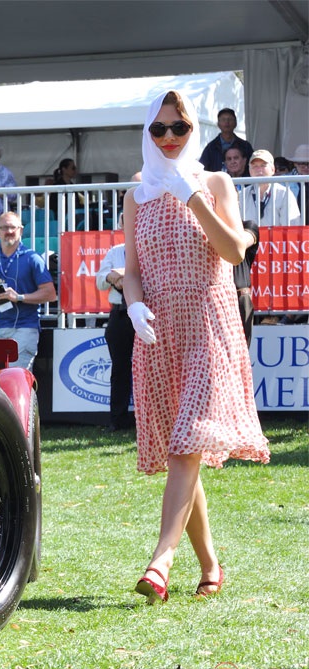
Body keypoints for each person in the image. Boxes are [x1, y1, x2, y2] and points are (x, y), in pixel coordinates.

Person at [123, 90, 269, 605]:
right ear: (147, 133)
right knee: (181, 451)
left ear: (195, 132)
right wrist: (134, 306)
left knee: (187, 445)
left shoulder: (215, 182)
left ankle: (160, 562)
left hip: (209, 326)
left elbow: (232, 251)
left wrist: (192, 197)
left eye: (178, 129)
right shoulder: (136, 194)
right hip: (159, 333)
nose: (168, 139)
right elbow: (134, 273)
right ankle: (210, 566)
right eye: (159, 130)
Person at [0, 211, 57, 371]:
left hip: (24, 328)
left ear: (21, 230)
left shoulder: (32, 258)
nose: (9, 231)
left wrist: (19, 297)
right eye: (4, 227)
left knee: (15, 379)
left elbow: (50, 294)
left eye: (13, 227)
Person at [95, 243, 135, 431]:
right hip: (119, 315)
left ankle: (149, 420)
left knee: (149, 369)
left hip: (145, 313)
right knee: (119, 369)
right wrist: (112, 277)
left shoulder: (149, 246)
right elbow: (100, 281)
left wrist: (127, 275)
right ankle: (118, 420)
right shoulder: (115, 251)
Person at [239, 150, 301, 226]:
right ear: (249, 171)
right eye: (254, 166)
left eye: (263, 165)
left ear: (273, 169)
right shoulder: (241, 195)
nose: (259, 170)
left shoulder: (284, 194)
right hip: (250, 237)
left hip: (277, 238)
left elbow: (291, 229)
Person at [198, 107, 253, 173]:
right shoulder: (211, 147)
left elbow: (253, 167)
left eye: (229, 119)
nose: (227, 122)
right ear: (218, 124)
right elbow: (202, 170)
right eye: (223, 119)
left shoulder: (245, 146)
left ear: (235, 123)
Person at [233, 221, 259, 347]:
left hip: (240, 298)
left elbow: (239, 244)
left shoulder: (249, 226)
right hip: (215, 296)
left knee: (240, 350)